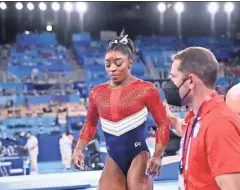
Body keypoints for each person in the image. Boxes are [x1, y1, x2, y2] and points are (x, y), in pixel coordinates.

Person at [72, 34, 169, 190]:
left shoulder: (146, 89)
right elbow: (90, 123)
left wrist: (157, 156)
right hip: (114, 158)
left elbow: (163, 123)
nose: (112, 69)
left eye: (118, 63)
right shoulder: (97, 92)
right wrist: (78, 149)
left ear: (130, 62)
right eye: (107, 64)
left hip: (139, 155)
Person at [163, 47, 240, 190]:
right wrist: (170, 119)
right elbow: (185, 130)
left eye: (173, 77)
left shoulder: (220, 124)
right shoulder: (197, 117)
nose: (170, 84)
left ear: (190, 80)